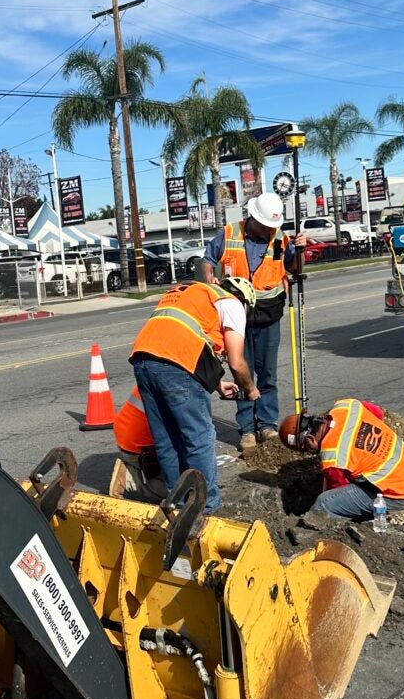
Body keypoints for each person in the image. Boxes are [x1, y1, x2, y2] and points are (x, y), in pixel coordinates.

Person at [129, 276, 259, 511]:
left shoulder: (193, 292)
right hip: (176, 364)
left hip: (143, 360)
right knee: (199, 437)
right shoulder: (231, 303)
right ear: (245, 300)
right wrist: (250, 389)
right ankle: (205, 506)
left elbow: (188, 336)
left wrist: (218, 383)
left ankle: (177, 503)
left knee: (167, 438)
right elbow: (237, 362)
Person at [201, 192, 305, 451]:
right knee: (241, 371)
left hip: (269, 314)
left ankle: (267, 425)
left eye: (273, 225)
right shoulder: (229, 234)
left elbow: (295, 268)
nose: (270, 230)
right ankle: (247, 429)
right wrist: (208, 278)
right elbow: (206, 260)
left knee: (267, 373)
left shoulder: (281, 239)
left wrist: (300, 250)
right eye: (265, 225)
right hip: (236, 314)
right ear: (252, 218)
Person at [278, 401, 404, 521]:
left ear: (309, 440)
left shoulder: (333, 457)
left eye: (305, 450)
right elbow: (378, 413)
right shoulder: (346, 406)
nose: (309, 453)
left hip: (402, 493)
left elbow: (339, 491)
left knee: (323, 505)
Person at [112, 385, 165, 500]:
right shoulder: (188, 389)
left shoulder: (162, 370)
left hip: (125, 433)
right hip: (139, 447)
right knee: (189, 493)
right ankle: (129, 478)